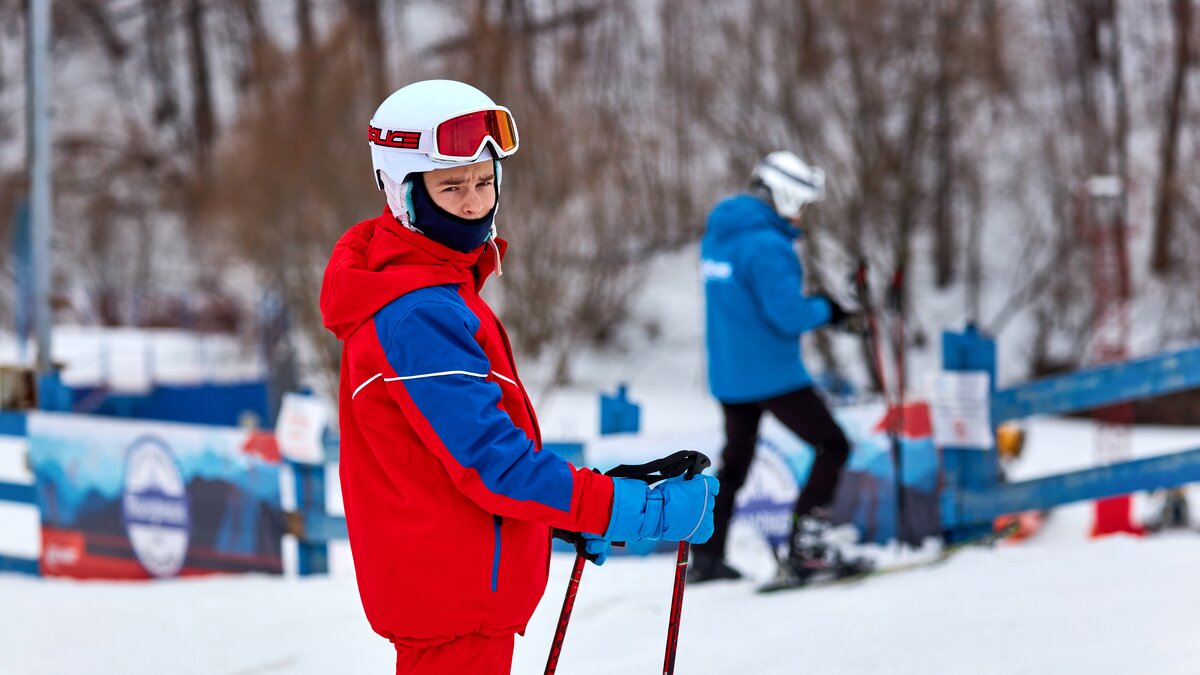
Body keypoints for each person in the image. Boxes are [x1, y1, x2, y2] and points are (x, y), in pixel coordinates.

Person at [318, 79, 718, 674]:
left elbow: (448, 463)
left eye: (485, 181)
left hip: (461, 605)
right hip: (454, 616)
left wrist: (562, 514)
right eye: (452, 187)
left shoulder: (434, 290)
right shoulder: (419, 315)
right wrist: (632, 510)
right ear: (403, 193)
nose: (475, 202)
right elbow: (495, 463)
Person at [690, 151, 863, 585]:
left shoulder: (719, 236)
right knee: (833, 445)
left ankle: (707, 559)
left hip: (730, 376)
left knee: (735, 465)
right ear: (784, 197)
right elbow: (787, 315)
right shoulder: (769, 244)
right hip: (773, 375)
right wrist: (828, 309)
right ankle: (807, 553)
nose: (803, 215)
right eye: (802, 204)